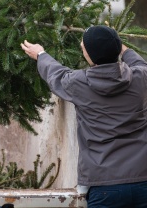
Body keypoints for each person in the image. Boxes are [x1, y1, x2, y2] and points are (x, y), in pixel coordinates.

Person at [20, 25, 147, 208]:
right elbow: (141, 64)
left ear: (89, 56)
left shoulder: (78, 83)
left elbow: (55, 73)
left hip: (103, 184)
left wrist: (41, 54)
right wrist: (117, 44)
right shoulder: (140, 78)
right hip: (143, 178)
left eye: (83, 47)